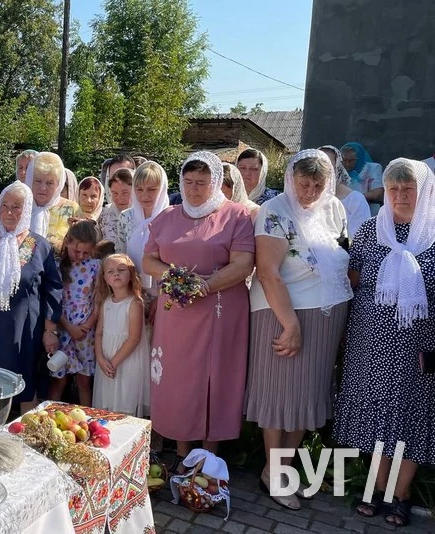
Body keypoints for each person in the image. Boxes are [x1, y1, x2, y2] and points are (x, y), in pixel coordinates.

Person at [245, 149, 353, 510]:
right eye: (302, 183)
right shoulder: (274, 211)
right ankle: (275, 476)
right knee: (280, 398)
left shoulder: (334, 209)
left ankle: (281, 471)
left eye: (317, 184)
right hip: (283, 314)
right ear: (291, 179)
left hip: (325, 317)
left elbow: (342, 257)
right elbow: (268, 272)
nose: (309, 191)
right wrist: (290, 324)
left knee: (306, 399)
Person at [334, 159, 435, 528]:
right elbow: (352, 279)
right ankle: (379, 489)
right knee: (375, 418)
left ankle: (401, 495)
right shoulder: (368, 232)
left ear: (424, 193)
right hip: (370, 343)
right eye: (393, 189)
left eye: (409, 189)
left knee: (408, 420)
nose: (400, 196)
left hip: (418, 347)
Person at [143, 151, 255, 472]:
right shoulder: (166, 216)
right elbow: (150, 260)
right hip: (176, 313)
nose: (194, 189)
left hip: (220, 312)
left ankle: (209, 453)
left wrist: (204, 286)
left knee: (215, 377)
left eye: (202, 183)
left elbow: (244, 263)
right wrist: (178, 279)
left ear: (216, 181)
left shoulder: (236, 216)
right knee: (178, 378)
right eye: (189, 182)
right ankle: (181, 450)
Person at [0, 181, 62, 414]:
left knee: (28, 382)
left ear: (26, 210)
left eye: (16, 207)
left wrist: (50, 329)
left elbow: (53, 288)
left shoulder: (39, 246)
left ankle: (26, 437)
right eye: (5, 205)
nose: (8, 211)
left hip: (29, 329)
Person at [48, 221, 101, 405]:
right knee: (58, 379)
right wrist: (68, 327)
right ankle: (51, 418)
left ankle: (86, 421)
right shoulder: (56, 265)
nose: (80, 256)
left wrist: (86, 326)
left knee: (84, 381)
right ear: (67, 242)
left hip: (86, 332)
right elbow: (54, 301)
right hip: (63, 328)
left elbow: (98, 300)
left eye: (85, 252)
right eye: (76, 251)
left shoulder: (96, 266)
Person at [92, 253, 149, 417]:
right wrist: (101, 359)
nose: (115, 273)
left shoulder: (134, 303)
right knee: (108, 402)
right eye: (110, 271)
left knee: (124, 401)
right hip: (106, 361)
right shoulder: (106, 301)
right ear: (104, 278)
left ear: (131, 274)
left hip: (125, 361)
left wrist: (113, 363)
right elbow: (98, 333)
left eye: (121, 269)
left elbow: (134, 338)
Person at [113, 162, 171, 294]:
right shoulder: (125, 218)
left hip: (165, 292)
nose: (145, 195)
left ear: (162, 188)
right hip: (133, 290)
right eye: (139, 189)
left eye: (152, 189)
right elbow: (120, 255)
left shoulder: (172, 218)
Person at [26, 151, 80, 252]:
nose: (43, 188)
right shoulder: (20, 207)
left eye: (49, 183)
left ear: (58, 184)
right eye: (38, 181)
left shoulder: (72, 209)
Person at [320, 145, 371, 238]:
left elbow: (359, 241)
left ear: (337, 167)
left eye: (328, 164)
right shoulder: (307, 198)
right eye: (319, 164)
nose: (322, 169)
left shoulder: (355, 200)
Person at [340, 142, 384, 215]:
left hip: (370, 212)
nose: (347, 164)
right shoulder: (340, 171)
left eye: (351, 160)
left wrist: (353, 198)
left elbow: (377, 193)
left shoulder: (373, 168)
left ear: (359, 158)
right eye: (344, 160)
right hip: (346, 212)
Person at [98, 168, 134, 245]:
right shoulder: (105, 214)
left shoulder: (144, 214)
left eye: (125, 193)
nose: (119, 198)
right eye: (115, 193)